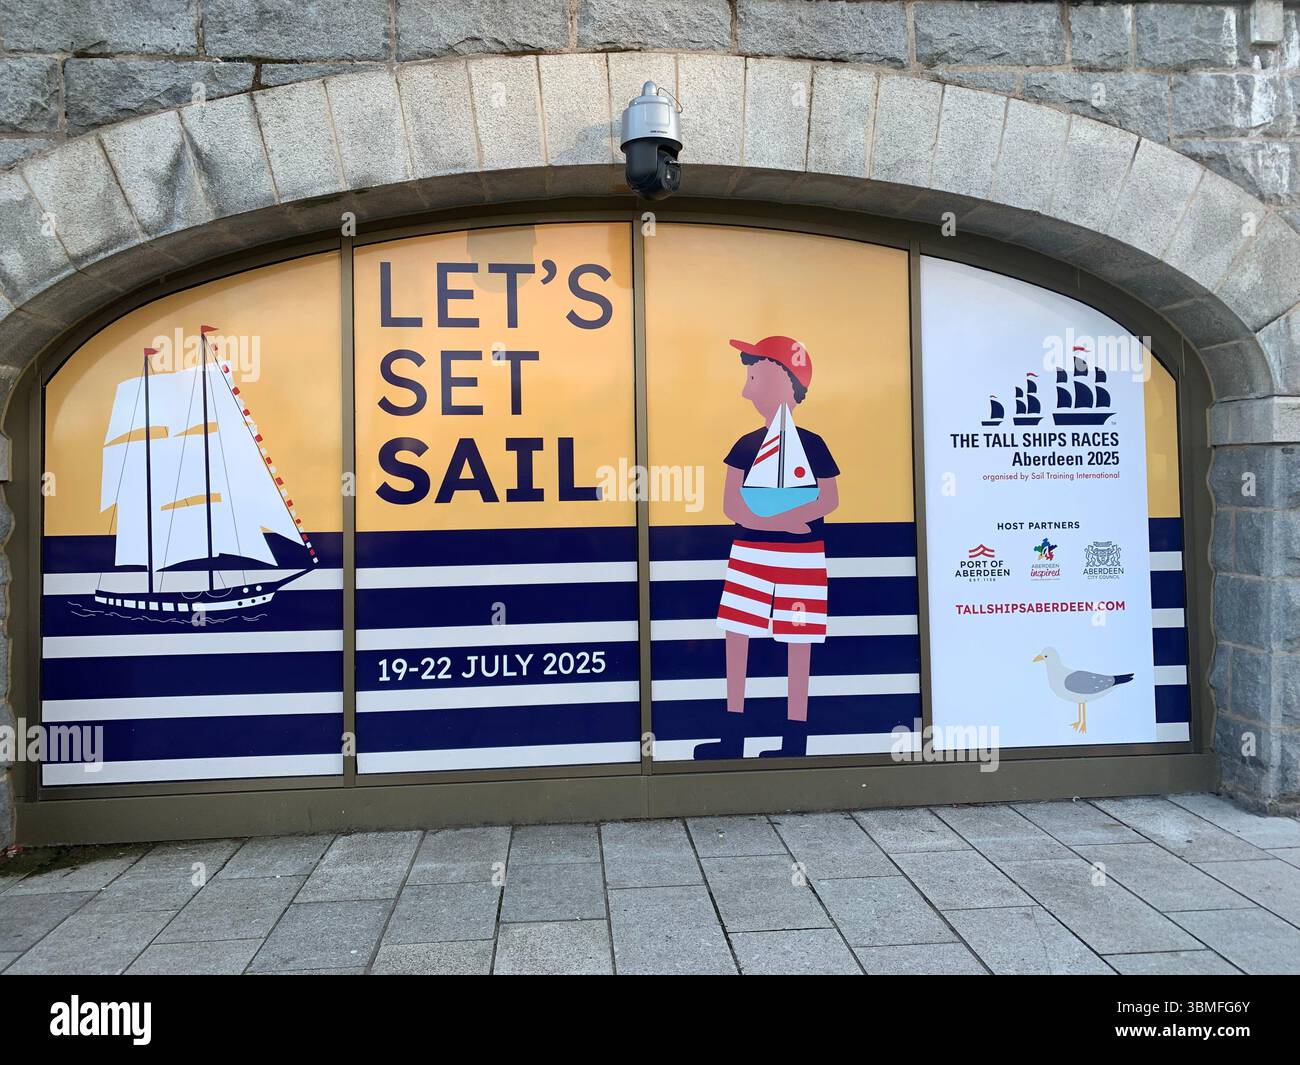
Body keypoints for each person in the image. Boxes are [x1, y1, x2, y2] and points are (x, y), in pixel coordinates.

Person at [694, 336, 840, 760]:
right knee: (739, 634)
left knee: (798, 639)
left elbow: (829, 499)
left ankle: (793, 741)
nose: (745, 389)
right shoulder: (744, 444)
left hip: (800, 556)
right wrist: (784, 522)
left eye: (753, 376)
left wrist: (774, 522)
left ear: (783, 380)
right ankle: (734, 736)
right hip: (755, 553)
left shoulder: (811, 444)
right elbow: (730, 505)